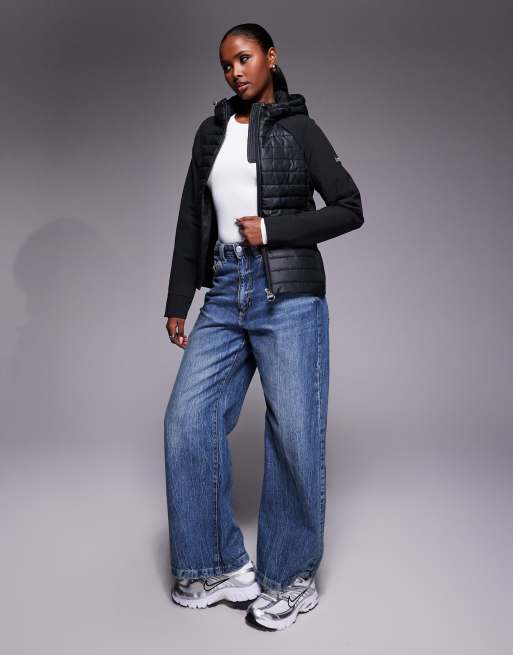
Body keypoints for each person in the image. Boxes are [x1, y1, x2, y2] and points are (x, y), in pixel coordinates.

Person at [163, 23, 364, 631]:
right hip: (226, 290)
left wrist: (273, 230)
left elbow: (349, 206)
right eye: (226, 64)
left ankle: (290, 579)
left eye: (245, 58)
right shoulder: (210, 132)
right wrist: (178, 299)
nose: (235, 72)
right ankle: (216, 566)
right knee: (188, 419)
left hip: (289, 293)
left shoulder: (301, 129)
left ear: (271, 58)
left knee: (294, 435)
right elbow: (191, 217)